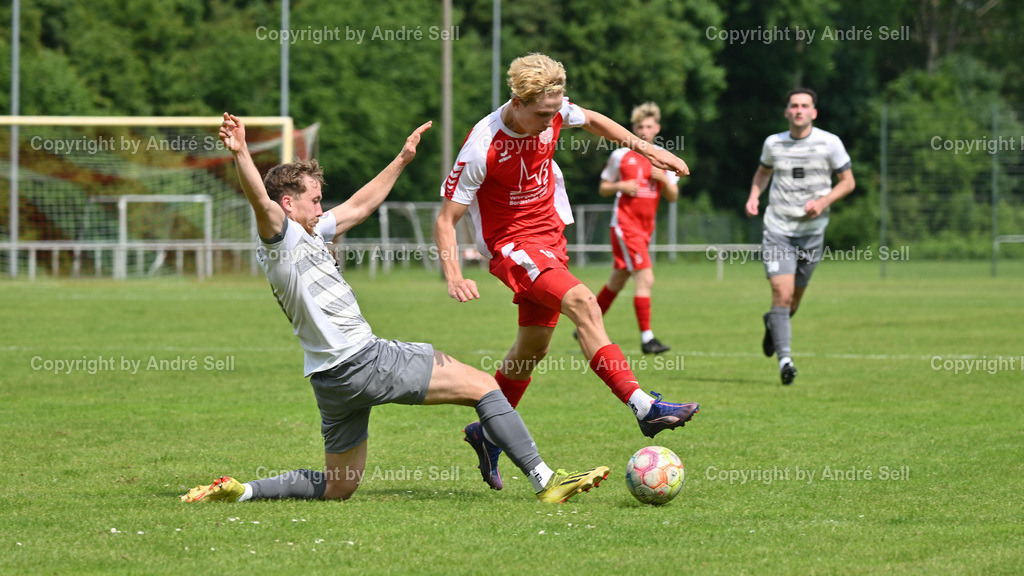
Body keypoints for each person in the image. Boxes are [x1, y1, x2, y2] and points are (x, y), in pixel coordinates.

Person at [180, 113, 609, 505]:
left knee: (339, 485)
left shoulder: (310, 231)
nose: (321, 206)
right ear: (287, 204)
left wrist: (402, 159)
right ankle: (546, 480)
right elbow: (260, 199)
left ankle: (242, 490)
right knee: (484, 386)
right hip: (363, 360)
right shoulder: (280, 235)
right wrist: (240, 152)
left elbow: (361, 206)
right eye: (313, 199)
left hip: (330, 380)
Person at [434, 53, 699, 491]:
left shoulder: (553, 109)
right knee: (583, 301)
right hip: (514, 246)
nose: (549, 122)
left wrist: (647, 148)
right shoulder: (483, 146)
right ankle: (643, 407)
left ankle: (488, 432)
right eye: (541, 114)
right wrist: (454, 273)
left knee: (532, 347)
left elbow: (592, 119)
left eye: (555, 112)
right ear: (516, 102)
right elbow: (446, 219)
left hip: (551, 236)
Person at [745, 88, 855, 385]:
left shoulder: (830, 143)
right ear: (786, 112)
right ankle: (785, 361)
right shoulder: (773, 143)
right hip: (778, 229)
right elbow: (762, 173)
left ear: (813, 112)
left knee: (792, 301)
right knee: (781, 294)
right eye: (794, 105)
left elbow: (848, 182)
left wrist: (822, 203)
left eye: (805, 106)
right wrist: (755, 195)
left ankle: (773, 324)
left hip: (812, 234)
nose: (798, 110)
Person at [593, 101, 679, 355]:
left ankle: (585, 324)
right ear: (633, 128)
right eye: (640, 126)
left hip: (645, 229)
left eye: (649, 126)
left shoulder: (663, 157)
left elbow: (673, 197)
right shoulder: (621, 155)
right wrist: (621, 186)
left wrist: (664, 179)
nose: (644, 130)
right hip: (624, 226)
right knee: (646, 278)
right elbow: (603, 187)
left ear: (657, 128)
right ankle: (647, 339)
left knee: (616, 282)